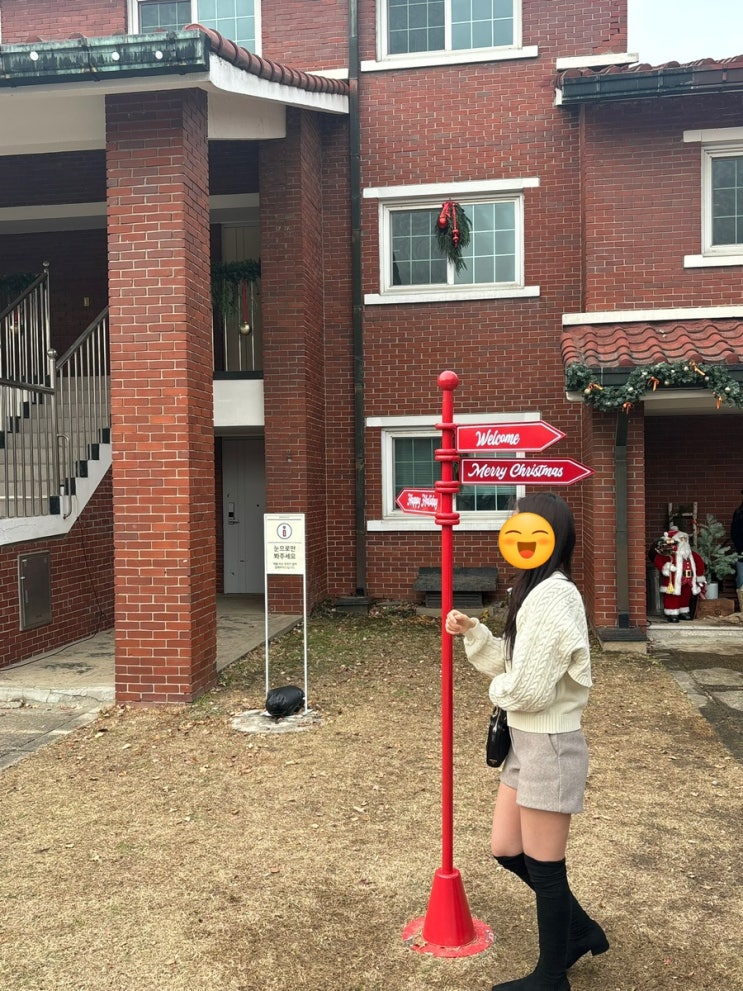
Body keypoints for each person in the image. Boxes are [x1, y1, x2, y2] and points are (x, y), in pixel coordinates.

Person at [445, 492, 608, 991]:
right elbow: (515, 663)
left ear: (554, 539)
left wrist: (500, 691)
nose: (519, 541)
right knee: (506, 847)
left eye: (530, 532)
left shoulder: (555, 594)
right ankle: (580, 930)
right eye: (513, 532)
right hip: (526, 741)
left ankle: (552, 976)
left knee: (546, 865)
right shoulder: (533, 590)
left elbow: (529, 689)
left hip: (551, 743)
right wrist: (474, 633)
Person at [652, 528, 706, 622]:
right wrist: (667, 567)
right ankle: (672, 613)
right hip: (673, 580)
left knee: (685, 596)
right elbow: (658, 560)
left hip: (688, 580)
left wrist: (699, 576)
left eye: (685, 539)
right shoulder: (669, 552)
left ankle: (683, 611)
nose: (684, 541)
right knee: (672, 597)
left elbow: (699, 564)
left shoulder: (691, 554)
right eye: (681, 539)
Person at [731, 491, 743, 590]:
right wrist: (741, 548)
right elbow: (734, 533)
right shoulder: (739, 513)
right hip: (742, 552)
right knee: (741, 578)